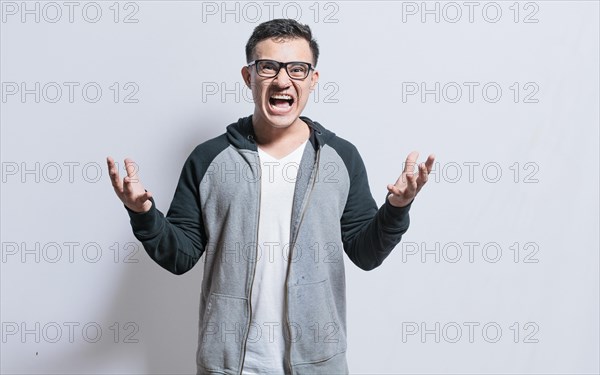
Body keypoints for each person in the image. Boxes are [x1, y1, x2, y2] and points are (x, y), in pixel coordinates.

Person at [107, 18, 435, 375]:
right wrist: (143, 213)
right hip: (230, 364)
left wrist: (396, 209)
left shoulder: (341, 158)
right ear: (249, 76)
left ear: (313, 80)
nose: (282, 80)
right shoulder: (208, 159)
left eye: (297, 69)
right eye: (268, 67)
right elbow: (180, 256)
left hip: (318, 365)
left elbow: (365, 252)